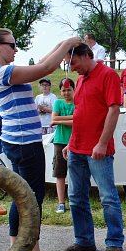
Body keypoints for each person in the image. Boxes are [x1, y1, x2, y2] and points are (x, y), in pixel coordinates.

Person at [0, 27, 81, 251]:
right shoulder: (3, 72)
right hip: (25, 142)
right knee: (32, 198)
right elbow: (45, 68)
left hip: (18, 141)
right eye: (12, 45)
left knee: (22, 194)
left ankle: (19, 249)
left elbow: (42, 62)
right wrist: (67, 44)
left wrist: (61, 44)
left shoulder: (0, 72)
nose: (16, 49)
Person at [61, 43, 125, 251]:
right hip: (77, 147)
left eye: (73, 63)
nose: (72, 68)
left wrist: (102, 143)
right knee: (76, 197)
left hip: (98, 149)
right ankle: (84, 240)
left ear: (87, 55)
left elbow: (114, 110)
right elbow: (80, 113)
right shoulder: (80, 79)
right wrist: (71, 142)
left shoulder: (108, 75)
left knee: (107, 196)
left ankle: (114, 242)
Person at [51, 78, 75, 213]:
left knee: (76, 173)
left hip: (75, 141)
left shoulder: (78, 103)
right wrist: (72, 118)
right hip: (60, 141)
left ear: (74, 90)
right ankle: (61, 202)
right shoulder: (58, 103)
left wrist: (59, 120)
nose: (66, 93)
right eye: (63, 90)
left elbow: (78, 121)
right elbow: (53, 118)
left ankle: (74, 201)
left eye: (69, 90)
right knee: (60, 173)